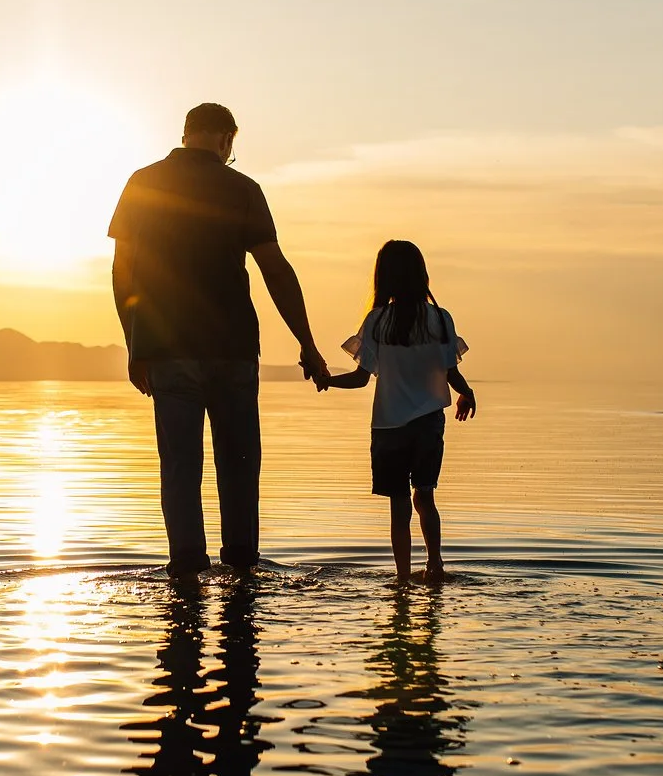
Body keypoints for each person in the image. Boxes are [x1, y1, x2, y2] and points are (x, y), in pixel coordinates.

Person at [109, 103, 328, 576]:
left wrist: (135, 344)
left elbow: (122, 272)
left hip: (168, 351)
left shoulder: (143, 182)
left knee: (181, 470)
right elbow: (276, 269)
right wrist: (308, 345)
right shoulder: (242, 188)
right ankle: (243, 570)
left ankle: (186, 572)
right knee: (240, 468)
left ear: (187, 134)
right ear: (227, 138)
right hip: (233, 350)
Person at [312, 240, 475, 582]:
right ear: (421, 275)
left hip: (389, 427)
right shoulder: (440, 319)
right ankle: (435, 566)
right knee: (425, 498)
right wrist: (467, 393)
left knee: (399, 507)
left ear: (383, 277)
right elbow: (451, 371)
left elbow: (360, 379)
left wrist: (327, 381)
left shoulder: (377, 321)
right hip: (429, 423)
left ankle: (402, 580)